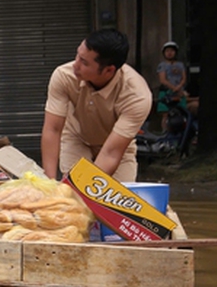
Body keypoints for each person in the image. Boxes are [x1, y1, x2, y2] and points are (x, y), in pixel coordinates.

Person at [41, 29, 151, 183]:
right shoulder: (64, 76)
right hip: (76, 139)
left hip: (116, 146)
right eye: (78, 56)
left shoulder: (136, 96)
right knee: (74, 195)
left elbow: (111, 153)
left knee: (113, 201)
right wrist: (48, 182)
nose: (75, 65)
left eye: (84, 63)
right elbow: (53, 129)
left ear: (108, 70)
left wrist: (89, 189)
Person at [156, 41, 188, 131]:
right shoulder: (162, 65)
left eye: (172, 51)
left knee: (182, 112)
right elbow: (162, 80)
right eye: (167, 51)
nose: (169, 53)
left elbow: (184, 78)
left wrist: (179, 87)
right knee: (165, 114)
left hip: (179, 92)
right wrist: (173, 88)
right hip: (166, 92)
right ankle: (165, 132)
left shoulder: (180, 65)